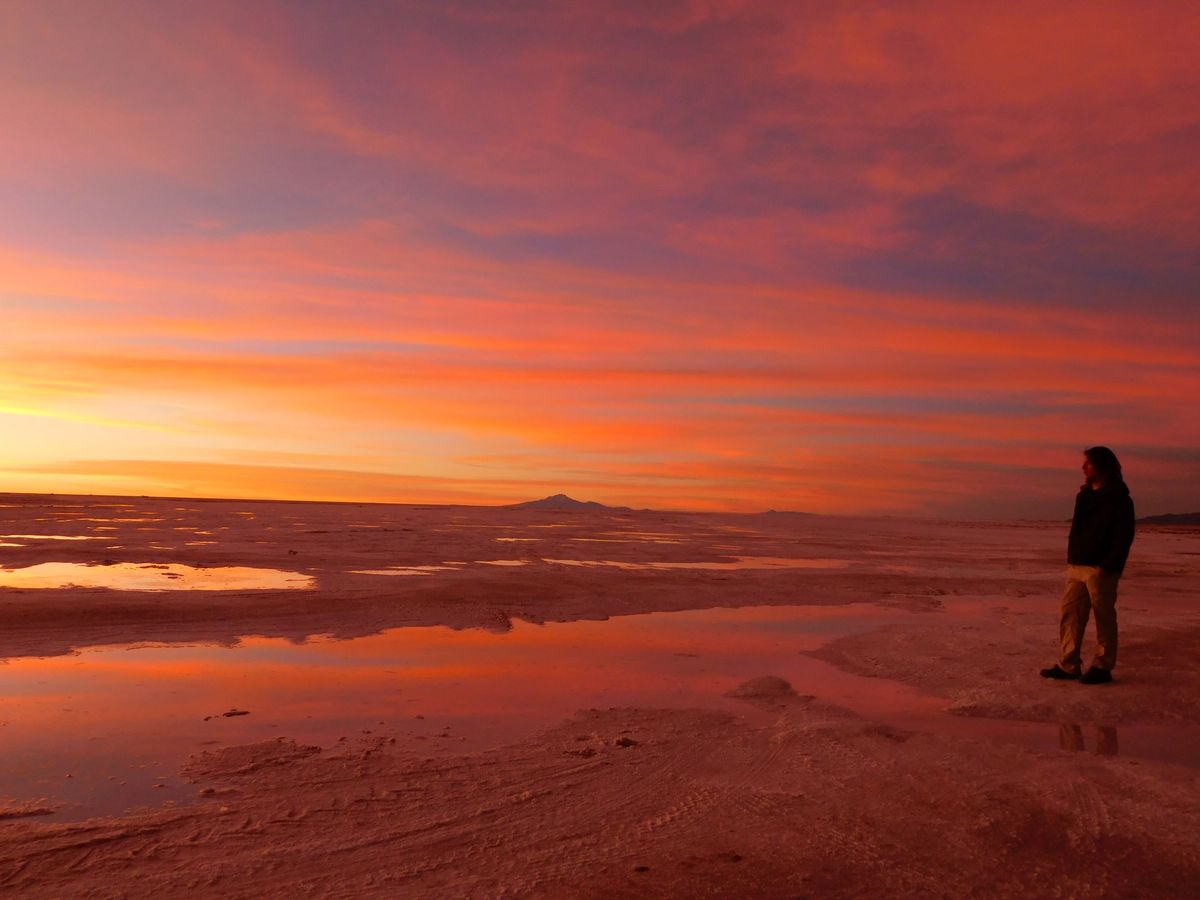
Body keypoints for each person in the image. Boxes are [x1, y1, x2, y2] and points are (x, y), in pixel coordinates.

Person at [1041, 446, 1135, 684]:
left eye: (1088, 463)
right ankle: (1069, 665)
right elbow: (1079, 529)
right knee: (1070, 615)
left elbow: (1124, 535)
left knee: (1103, 617)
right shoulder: (1084, 496)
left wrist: (1110, 564)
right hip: (1077, 565)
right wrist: (1072, 555)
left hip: (1100, 568)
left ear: (1103, 466)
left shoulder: (1119, 498)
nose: (1083, 467)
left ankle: (1103, 667)